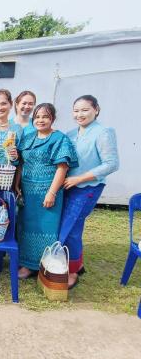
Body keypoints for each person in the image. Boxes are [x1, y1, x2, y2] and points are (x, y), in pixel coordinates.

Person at [60, 95, 119, 289]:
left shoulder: (103, 132)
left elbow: (111, 164)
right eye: (76, 110)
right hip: (68, 187)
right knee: (69, 226)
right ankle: (78, 262)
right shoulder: (70, 134)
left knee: (72, 230)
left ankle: (73, 272)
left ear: (96, 109)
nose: (80, 114)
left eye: (85, 110)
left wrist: (80, 178)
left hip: (88, 188)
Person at [16, 103, 78, 279]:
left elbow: (62, 167)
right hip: (28, 191)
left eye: (45, 116)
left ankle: (45, 265)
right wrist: (17, 184)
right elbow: (21, 163)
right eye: (37, 117)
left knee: (46, 229)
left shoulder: (60, 139)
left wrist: (52, 193)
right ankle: (27, 265)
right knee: (26, 227)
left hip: (48, 191)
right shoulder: (28, 138)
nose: (40, 120)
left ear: (53, 119)